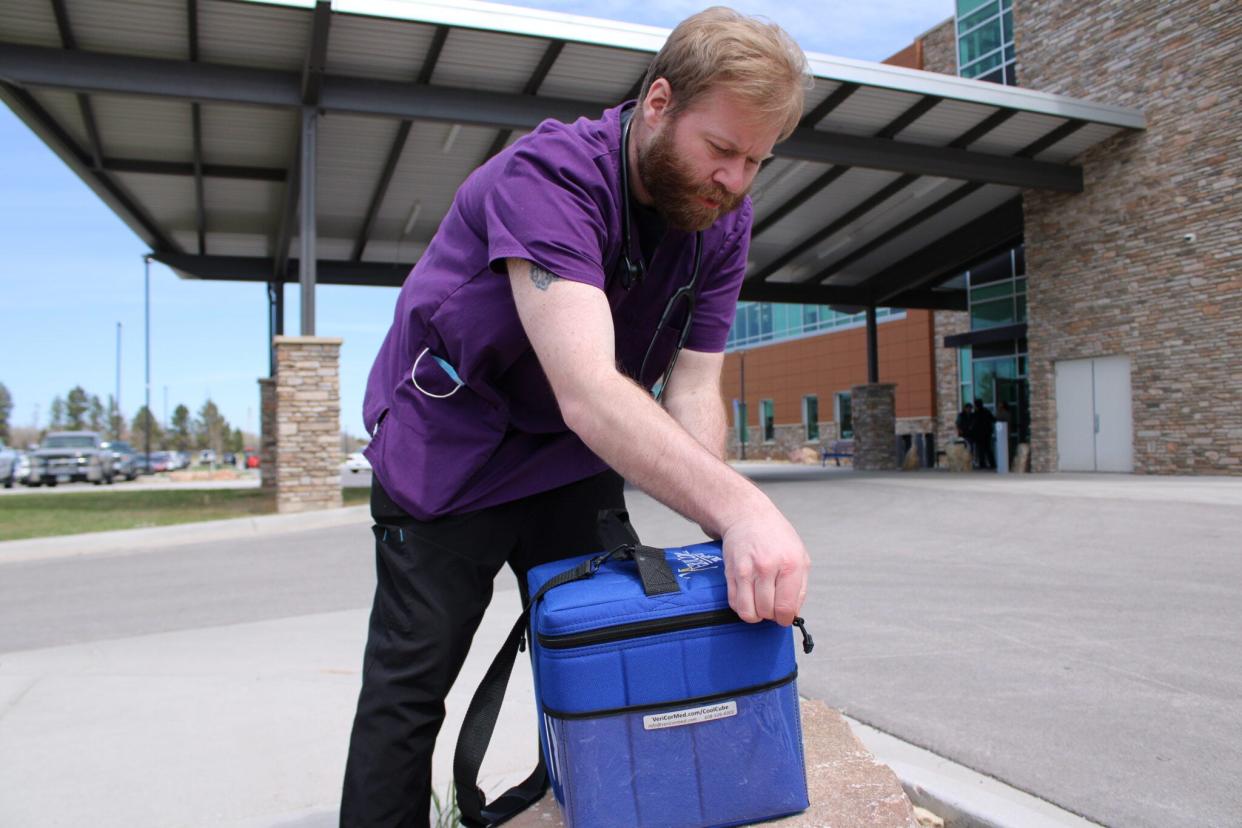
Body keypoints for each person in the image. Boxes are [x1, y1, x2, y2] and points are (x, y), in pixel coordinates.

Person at [340, 9, 814, 826]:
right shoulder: (551, 176)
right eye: (722, 150)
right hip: (452, 449)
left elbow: (694, 386)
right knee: (411, 689)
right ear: (659, 102)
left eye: (755, 161)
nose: (734, 180)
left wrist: (713, 523)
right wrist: (748, 508)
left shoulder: (721, 218)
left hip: (569, 456)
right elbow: (590, 388)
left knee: (627, 645)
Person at [972, 398, 996, 470]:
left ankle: (982, 464)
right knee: (988, 449)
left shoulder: (976, 413)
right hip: (987, 433)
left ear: (976, 405)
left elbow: (974, 424)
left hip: (979, 434)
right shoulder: (987, 412)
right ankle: (992, 464)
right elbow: (993, 419)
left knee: (981, 450)